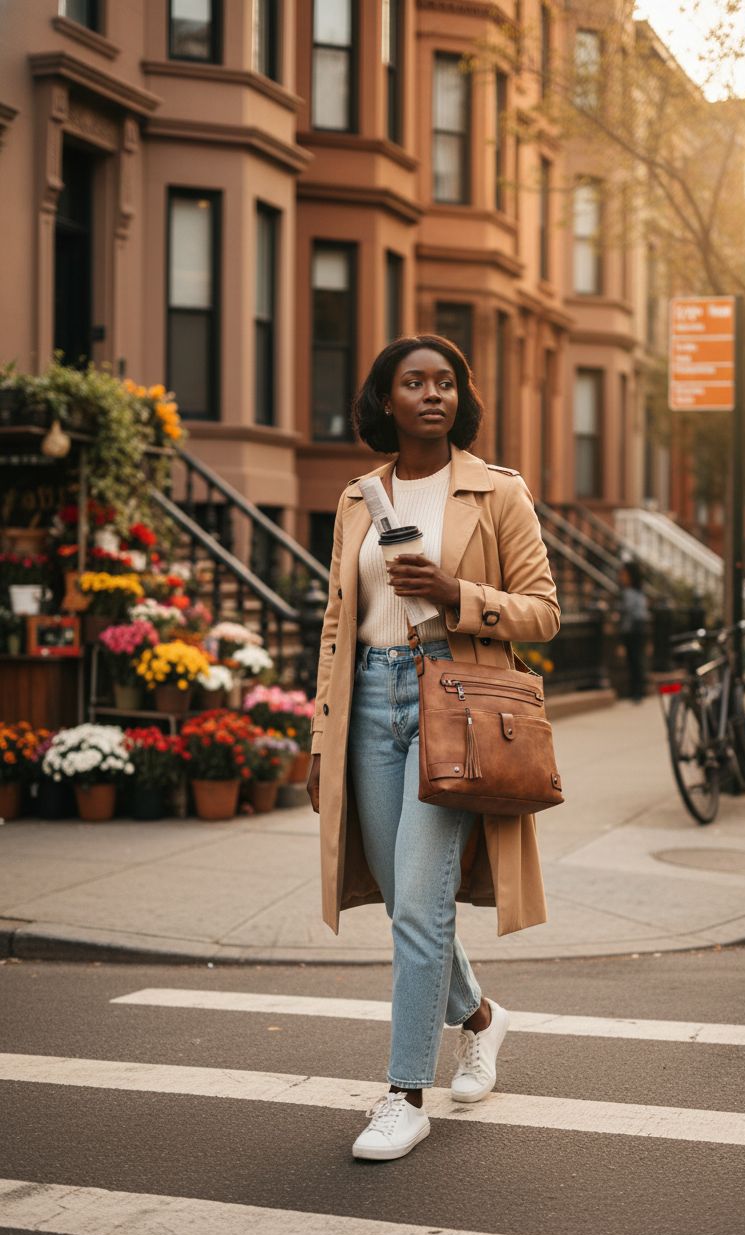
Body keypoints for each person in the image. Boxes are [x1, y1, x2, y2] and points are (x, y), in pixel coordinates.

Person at [306, 334, 560, 1161]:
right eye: (413, 382)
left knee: (420, 904)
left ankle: (403, 1095)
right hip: (370, 705)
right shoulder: (356, 499)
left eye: (445, 382)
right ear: (385, 399)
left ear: (461, 398)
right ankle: (481, 1017)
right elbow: (338, 622)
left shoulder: (496, 492)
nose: (432, 395)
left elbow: (544, 612)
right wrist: (321, 738)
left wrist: (458, 595)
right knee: (402, 898)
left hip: (453, 702)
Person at [617, 560, 649, 702]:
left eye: (623, 574)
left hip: (632, 631)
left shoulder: (629, 593)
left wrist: (621, 638)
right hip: (640, 630)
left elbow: (628, 614)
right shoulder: (640, 593)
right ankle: (638, 690)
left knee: (634, 661)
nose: (620, 577)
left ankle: (636, 692)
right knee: (637, 661)